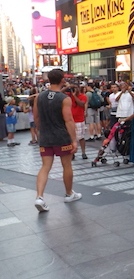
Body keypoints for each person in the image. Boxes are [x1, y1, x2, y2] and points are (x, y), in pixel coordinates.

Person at [33, 69, 81, 212]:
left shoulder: (39, 97)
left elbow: (36, 118)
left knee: (45, 167)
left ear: (48, 80)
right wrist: (74, 140)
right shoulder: (64, 98)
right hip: (61, 136)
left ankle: (39, 197)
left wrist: (41, 130)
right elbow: (69, 120)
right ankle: (68, 193)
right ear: (62, 80)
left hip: (46, 136)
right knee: (66, 165)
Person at [64, 84, 88, 159]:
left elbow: (81, 104)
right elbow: (59, 93)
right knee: (70, 137)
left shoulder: (83, 96)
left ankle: (83, 152)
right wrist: (67, 87)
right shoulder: (68, 96)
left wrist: (74, 96)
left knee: (81, 137)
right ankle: (73, 152)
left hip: (79, 119)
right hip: (70, 120)